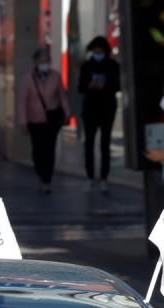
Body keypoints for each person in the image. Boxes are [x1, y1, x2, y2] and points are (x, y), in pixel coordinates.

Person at [18, 47, 71, 193]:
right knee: (37, 150)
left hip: (51, 119)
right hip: (34, 120)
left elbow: (62, 96)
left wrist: (67, 112)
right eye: (42, 61)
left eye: (47, 60)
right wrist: (23, 121)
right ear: (35, 62)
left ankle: (46, 179)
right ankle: (40, 172)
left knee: (49, 149)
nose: (45, 63)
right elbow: (23, 101)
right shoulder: (28, 79)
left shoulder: (56, 76)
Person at [78, 36, 121, 192]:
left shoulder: (113, 66)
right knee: (88, 143)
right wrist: (90, 85)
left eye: (100, 51)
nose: (98, 53)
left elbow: (117, 85)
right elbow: (80, 87)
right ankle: (90, 176)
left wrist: (105, 86)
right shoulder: (86, 66)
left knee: (105, 143)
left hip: (107, 108)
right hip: (90, 108)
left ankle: (104, 177)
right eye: (95, 51)